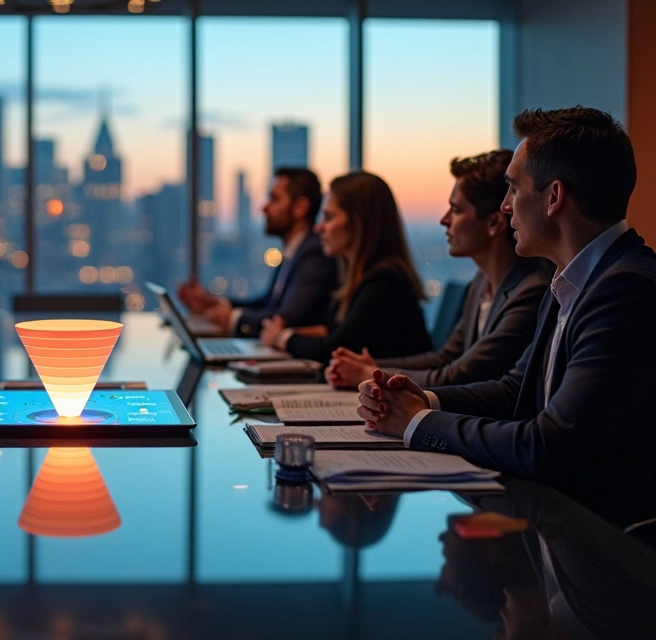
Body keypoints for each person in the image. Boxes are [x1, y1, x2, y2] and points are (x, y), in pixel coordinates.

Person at [358, 107, 656, 526]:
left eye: (514, 189)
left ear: (554, 197)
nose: (505, 205)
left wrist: (419, 422)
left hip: (606, 542)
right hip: (557, 520)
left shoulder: (626, 289)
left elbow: (547, 446)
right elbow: (516, 389)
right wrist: (424, 400)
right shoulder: (574, 279)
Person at [327, 150, 553, 389]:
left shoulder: (530, 291)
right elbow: (445, 358)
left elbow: (461, 375)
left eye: (456, 210)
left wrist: (372, 373)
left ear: (494, 223)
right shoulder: (480, 282)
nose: (444, 220)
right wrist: (372, 366)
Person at [259, 172, 432, 362]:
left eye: (329, 217)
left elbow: (335, 349)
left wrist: (282, 337)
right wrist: (290, 333)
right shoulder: (363, 277)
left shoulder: (384, 283)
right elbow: (333, 329)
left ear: (359, 223)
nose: (319, 228)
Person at [177, 167, 338, 337]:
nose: (264, 208)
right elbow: (267, 303)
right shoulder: (296, 250)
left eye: (275, 199)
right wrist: (212, 303)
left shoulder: (314, 254)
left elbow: (287, 318)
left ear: (300, 207)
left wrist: (233, 319)